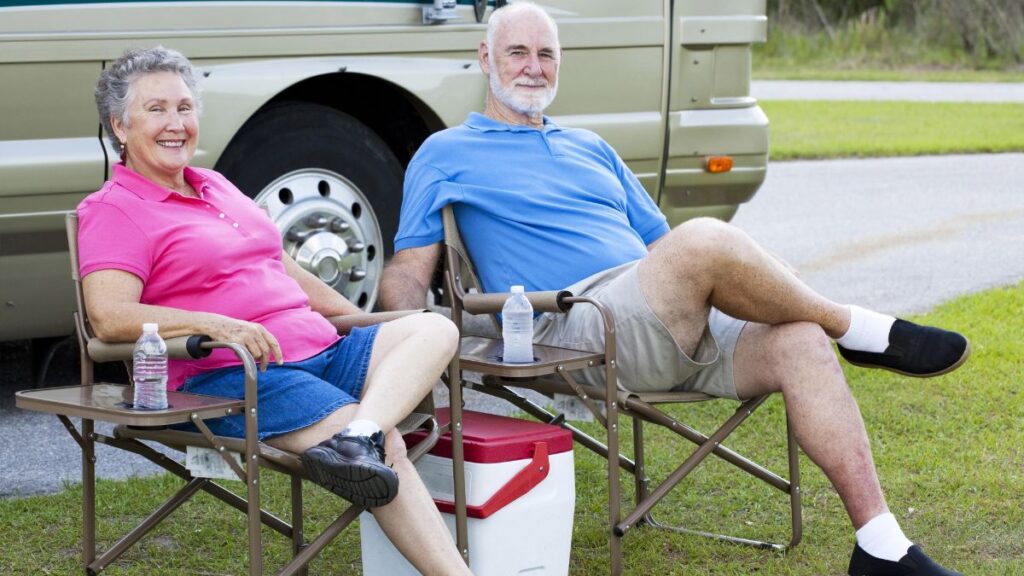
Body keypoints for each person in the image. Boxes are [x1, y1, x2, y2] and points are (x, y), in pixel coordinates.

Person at [380, 3, 968, 575]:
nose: (534, 66)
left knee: (801, 339)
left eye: (546, 54)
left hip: (661, 311)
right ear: (485, 57)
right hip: (579, 325)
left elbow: (666, 248)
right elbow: (410, 269)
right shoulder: (446, 152)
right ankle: (863, 330)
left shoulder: (591, 147)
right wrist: (403, 340)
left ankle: (880, 544)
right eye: (517, 52)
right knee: (707, 240)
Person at [78, 46, 471, 575]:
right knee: (391, 445)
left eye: (185, 108)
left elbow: (279, 265)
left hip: (319, 349)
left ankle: (356, 438)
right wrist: (216, 325)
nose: (177, 124)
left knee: (431, 327)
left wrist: (364, 321)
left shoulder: (213, 185)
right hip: (235, 372)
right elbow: (107, 317)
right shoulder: (114, 209)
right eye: (157, 110)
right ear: (119, 126)